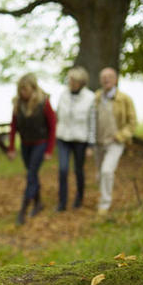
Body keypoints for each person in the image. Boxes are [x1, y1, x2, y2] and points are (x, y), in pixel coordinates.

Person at [7, 73, 57, 225]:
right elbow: (13, 126)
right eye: (21, 90)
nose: (23, 93)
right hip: (25, 144)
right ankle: (39, 203)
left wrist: (49, 150)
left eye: (26, 90)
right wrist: (11, 148)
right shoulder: (18, 104)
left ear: (33, 89)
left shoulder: (44, 102)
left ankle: (23, 209)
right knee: (32, 175)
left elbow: (52, 126)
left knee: (31, 175)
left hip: (40, 144)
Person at [93, 67, 137, 215]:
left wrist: (119, 136)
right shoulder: (96, 97)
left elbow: (132, 123)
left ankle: (104, 204)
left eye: (109, 77)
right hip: (98, 142)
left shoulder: (124, 99)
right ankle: (104, 196)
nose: (106, 80)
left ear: (115, 79)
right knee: (100, 175)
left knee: (106, 171)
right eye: (103, 77)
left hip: (115, 143)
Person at [55, 66, 96, 211]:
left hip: (80, 139)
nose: (71, 82)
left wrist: (91, 145)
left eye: (74, 80)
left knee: (78, 170)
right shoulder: (63, 95)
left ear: (81, 82)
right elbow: (58, 115)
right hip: (63, 138)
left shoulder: (90, 97)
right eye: (70, 80)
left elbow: (92, 122)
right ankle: (62, 202)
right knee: (63, 169)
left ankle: (79, 198)